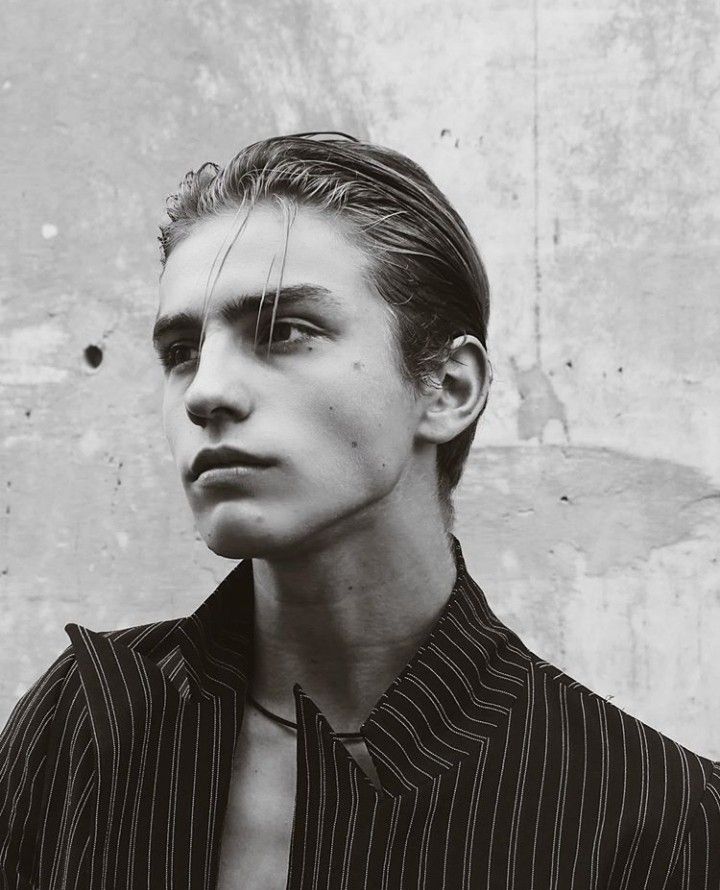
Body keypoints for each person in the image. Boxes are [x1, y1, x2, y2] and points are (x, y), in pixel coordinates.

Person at [0, 133, 718, 890]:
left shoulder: (653, 819)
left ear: (447, 388)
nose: (206, 392)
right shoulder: (84, 726)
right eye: (181, 349)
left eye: (283, 331)